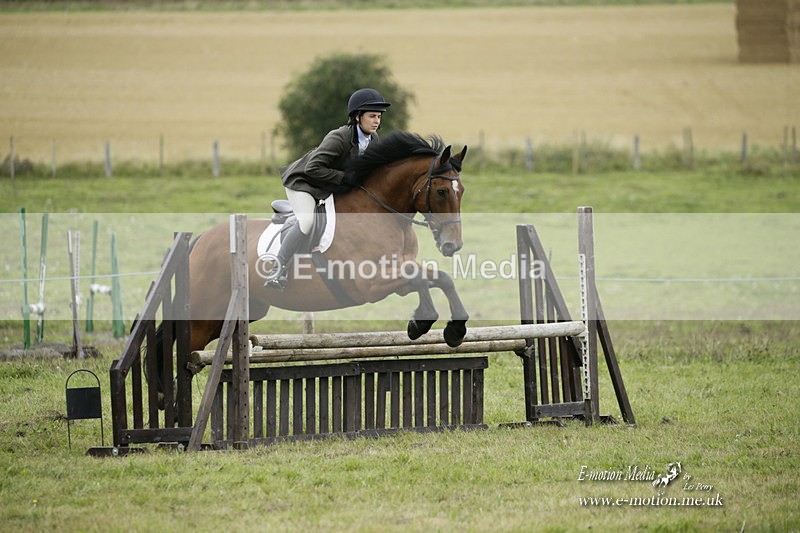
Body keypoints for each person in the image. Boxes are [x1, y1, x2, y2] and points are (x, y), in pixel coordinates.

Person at [267, 87, 391, 289]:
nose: (377, 121)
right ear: (357, 117)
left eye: (379, 116)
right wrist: (346, 178)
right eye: (372, 116)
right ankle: (276, 270)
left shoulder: (373, 140)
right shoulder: (339, 137)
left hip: (329, 186)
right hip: (304, 183)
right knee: (307, 221)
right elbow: (312, 167)